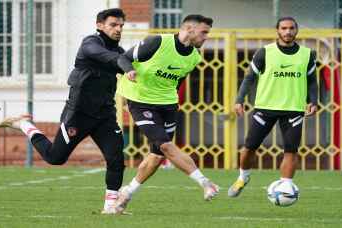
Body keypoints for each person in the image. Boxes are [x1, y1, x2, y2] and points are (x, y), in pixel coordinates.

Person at [0, 8, 127, 214]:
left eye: (121, 25)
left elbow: (128, 62)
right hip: (78, 114)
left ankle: (110, 207)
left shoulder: (119, 53)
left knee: (116, 158)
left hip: (105, 116)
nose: (118, 29)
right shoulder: (90, 44)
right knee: (55, 158)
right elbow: (106, 57)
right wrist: (128, 64)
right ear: (100, 25)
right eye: (113, 25)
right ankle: (24, 124)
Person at [114, 14, 219, 213]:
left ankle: (127, 192)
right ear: (189, 29)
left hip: (168, 105)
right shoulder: (157, 42)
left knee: (156, 155)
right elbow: (124, 57)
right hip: (140, 101)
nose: (206, 37)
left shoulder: (195, 56)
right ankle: (205, 183)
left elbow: (177, 82)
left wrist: (173, 103)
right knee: (166, 146)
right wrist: (129, 71)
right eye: (204, 32)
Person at [227, 17, 318, 197]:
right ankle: (242, 177)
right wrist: (239, 99)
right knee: (248, 148)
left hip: (293, 109)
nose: (288, 32)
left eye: (291, 28)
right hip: (265, 108)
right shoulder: (264, 52)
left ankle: (285, 187)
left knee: (291, 150)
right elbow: (249, 78)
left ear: (296, 30)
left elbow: (312, 81)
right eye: (284, 28)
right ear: (277, 30)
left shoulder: (307, 54)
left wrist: (313, 101)